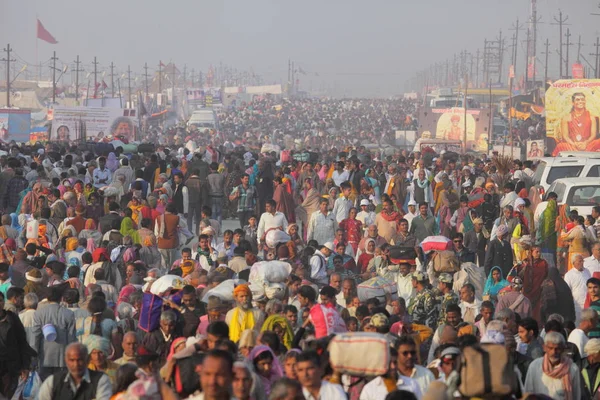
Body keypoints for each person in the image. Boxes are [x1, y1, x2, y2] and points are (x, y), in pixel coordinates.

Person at [36, 342, 113, 400]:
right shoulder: (53, 381)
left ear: (87, 360)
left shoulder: (101, 380)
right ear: (66, 360)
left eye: (80, 360)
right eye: (72, 360)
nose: (76, 364)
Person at [524, 331, 582, 399]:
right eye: (550, 348)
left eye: (557, 349)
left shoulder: (572, 368)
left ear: (563, 349)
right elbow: (528, 392)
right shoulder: (535, 366)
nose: (554, 352)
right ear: (544, 348)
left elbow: (576, 395)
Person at [565, 254, 592, 322]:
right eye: (579, 261)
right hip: (576, 306)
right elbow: (567, 292)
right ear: (574, 263)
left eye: (582, 261)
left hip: (588, 304)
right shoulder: (569, 275)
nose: (582, 263)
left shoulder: (587, 271)